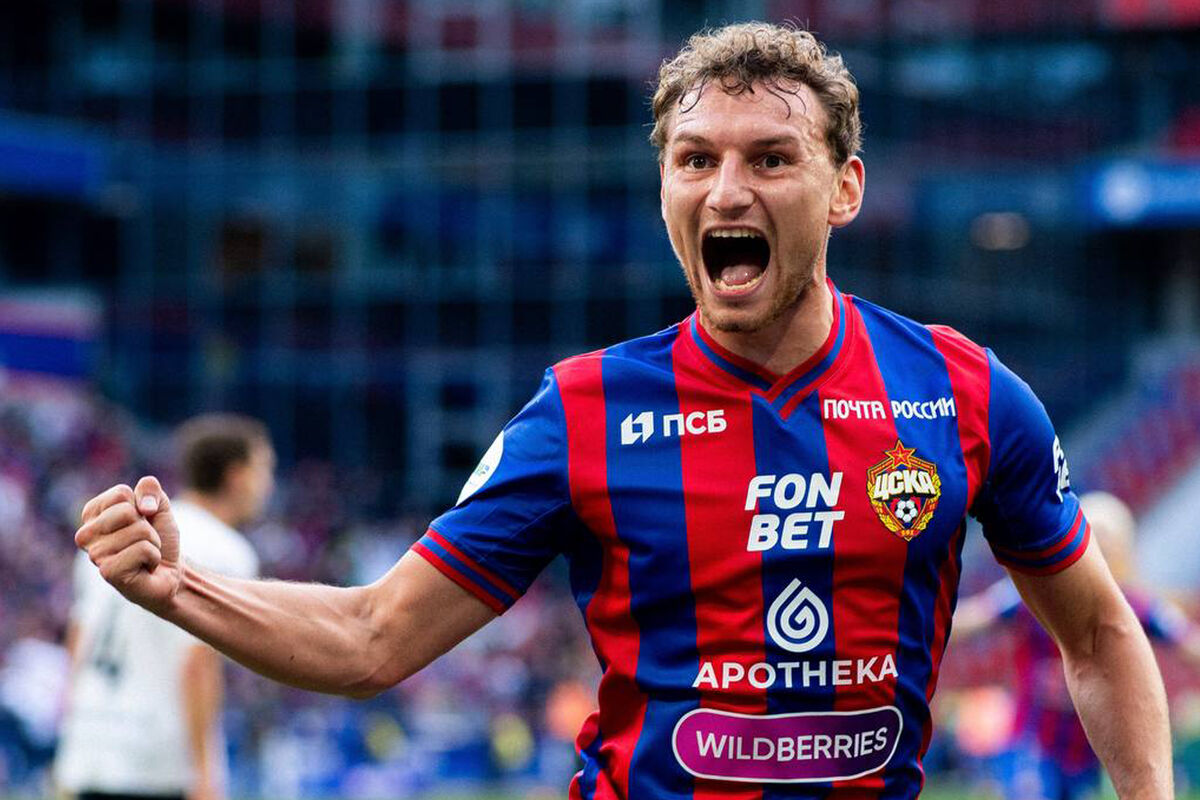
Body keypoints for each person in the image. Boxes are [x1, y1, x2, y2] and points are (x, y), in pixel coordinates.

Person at [72, 22, 1173, 798]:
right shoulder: (583, 411)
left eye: (771, 158)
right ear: (665, 190)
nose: (727, 190)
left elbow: (1098, 630)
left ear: (844, 188)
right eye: (695, 159)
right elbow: (372, 636)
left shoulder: (960, 390)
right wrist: (179, 587)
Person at [57, 414, 271, 800]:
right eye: (264, 469)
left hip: (90, 747)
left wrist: (71, 742)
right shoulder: (224, 549)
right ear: (237, 475)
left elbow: (78, 641)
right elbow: (197, 662)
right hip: (157, 761)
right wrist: (205, 772)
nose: (267, 484)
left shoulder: (122, 534)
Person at [954, 490, 1200, 800]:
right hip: (1034, 744)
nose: (1104, 549)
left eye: (1111, 541)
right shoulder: (1035, 591)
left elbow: (1188, 642)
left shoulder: (1139, 606)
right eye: (1097, 537)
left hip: (1086, 753)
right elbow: (976, 617)